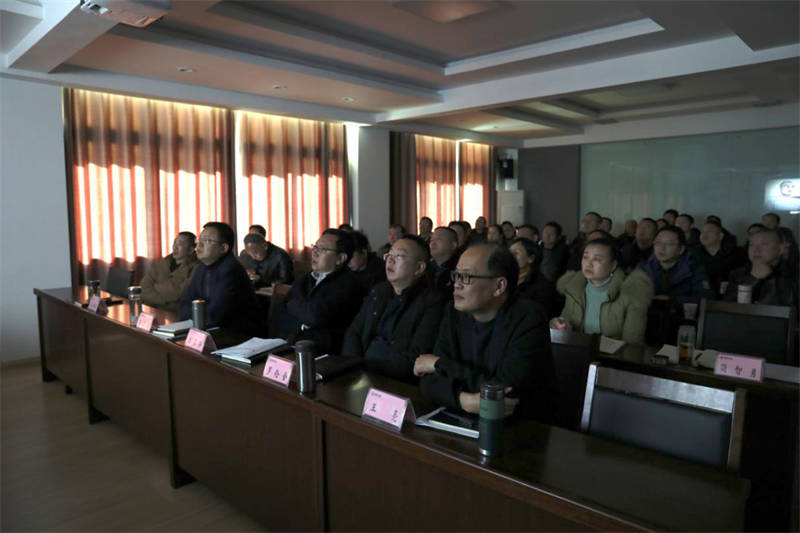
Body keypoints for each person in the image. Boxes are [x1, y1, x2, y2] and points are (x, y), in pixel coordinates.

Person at [414, 244, 556, 421]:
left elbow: (503, 391)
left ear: (499, 286)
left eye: (466, 276)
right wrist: (463, 401)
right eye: (456, 275)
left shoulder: (529, 317)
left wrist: (439, 364)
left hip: (522, 425)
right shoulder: (453, 312)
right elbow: (428, 382)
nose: (456, 284)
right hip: (461, 417)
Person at [342, 235, 446, 380]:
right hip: (360, 372)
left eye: (399, 256)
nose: (390, 260)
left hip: (393, 380)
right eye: (389, 255)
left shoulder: (433, 302)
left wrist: (367, 371)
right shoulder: (379, 291)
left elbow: (416, 356)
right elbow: (354, 332)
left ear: (419, 268)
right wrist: (353, 366)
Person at [274, 229, 366, 354]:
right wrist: (303, 324)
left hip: (326, 353)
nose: (315, 253)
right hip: (294, 344)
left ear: (340, 258)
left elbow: (314, 316)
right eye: (315, 247)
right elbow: (280, 311)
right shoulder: (305, 278)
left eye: (322, 249)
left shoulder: (348, 283)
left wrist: (295, 308)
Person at [553, 238, 653, 343]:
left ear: (613, 265)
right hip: (578, 348)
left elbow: (633, 342)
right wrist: (558, 325)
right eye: (585, 257)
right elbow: (566, 325)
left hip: (613, 352)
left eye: (597, 259)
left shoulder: (632, 292)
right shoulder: (574, 287)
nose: (588, 264)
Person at [179, 222, 263, 335]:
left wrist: (196, 314)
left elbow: (216, 316)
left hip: (237, 335)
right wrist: (196, 315)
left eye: (207, 240)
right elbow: (184, 305)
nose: (199, 245)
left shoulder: (231, 270)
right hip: (210, 330)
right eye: (199, 240)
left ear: (223, 248)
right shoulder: (201, 268)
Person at [638, 226, 712, 305]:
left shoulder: (694, 269)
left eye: (669, 244)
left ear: (681, 249)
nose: (662, 248)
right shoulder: (644, 268)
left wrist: (672, 300)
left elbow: (704, 299)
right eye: (658, 243)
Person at [725, 229, 798, 307]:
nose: (756, 249)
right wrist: (753, 277)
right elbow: (727, 307)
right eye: (751, 244)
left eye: (764, 244)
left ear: (781, 249)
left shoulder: (793, 274)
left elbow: (789, 309)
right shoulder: (737, 274)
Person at [140, 231, 198, 313]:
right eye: (174, 243)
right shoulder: (165, 262)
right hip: (153, 310)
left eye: (180, 244)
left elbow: (178, 293)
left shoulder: (196, 267)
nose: (175, 247)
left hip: (175, 313)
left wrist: (155, 288)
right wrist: (164, 300)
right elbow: (143, 286)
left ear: (191, 250)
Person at [509, 237, 557, 318]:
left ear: (530, 258)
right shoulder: (505, 279)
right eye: (509, 253)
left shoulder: (543, 287)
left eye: (516, 253)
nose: (510, 257)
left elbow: (537, 316)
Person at [695, 221, 746, 297]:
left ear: (721, 236)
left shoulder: (736, 254)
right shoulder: (693, 254)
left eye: (709, 232)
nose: (704, 235)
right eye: (702, 232)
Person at [428, 226, 460, 295]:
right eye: (431, 240)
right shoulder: (425, 267)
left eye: (438, 239)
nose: (433, 243)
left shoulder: (460, 268)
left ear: (453, 245)